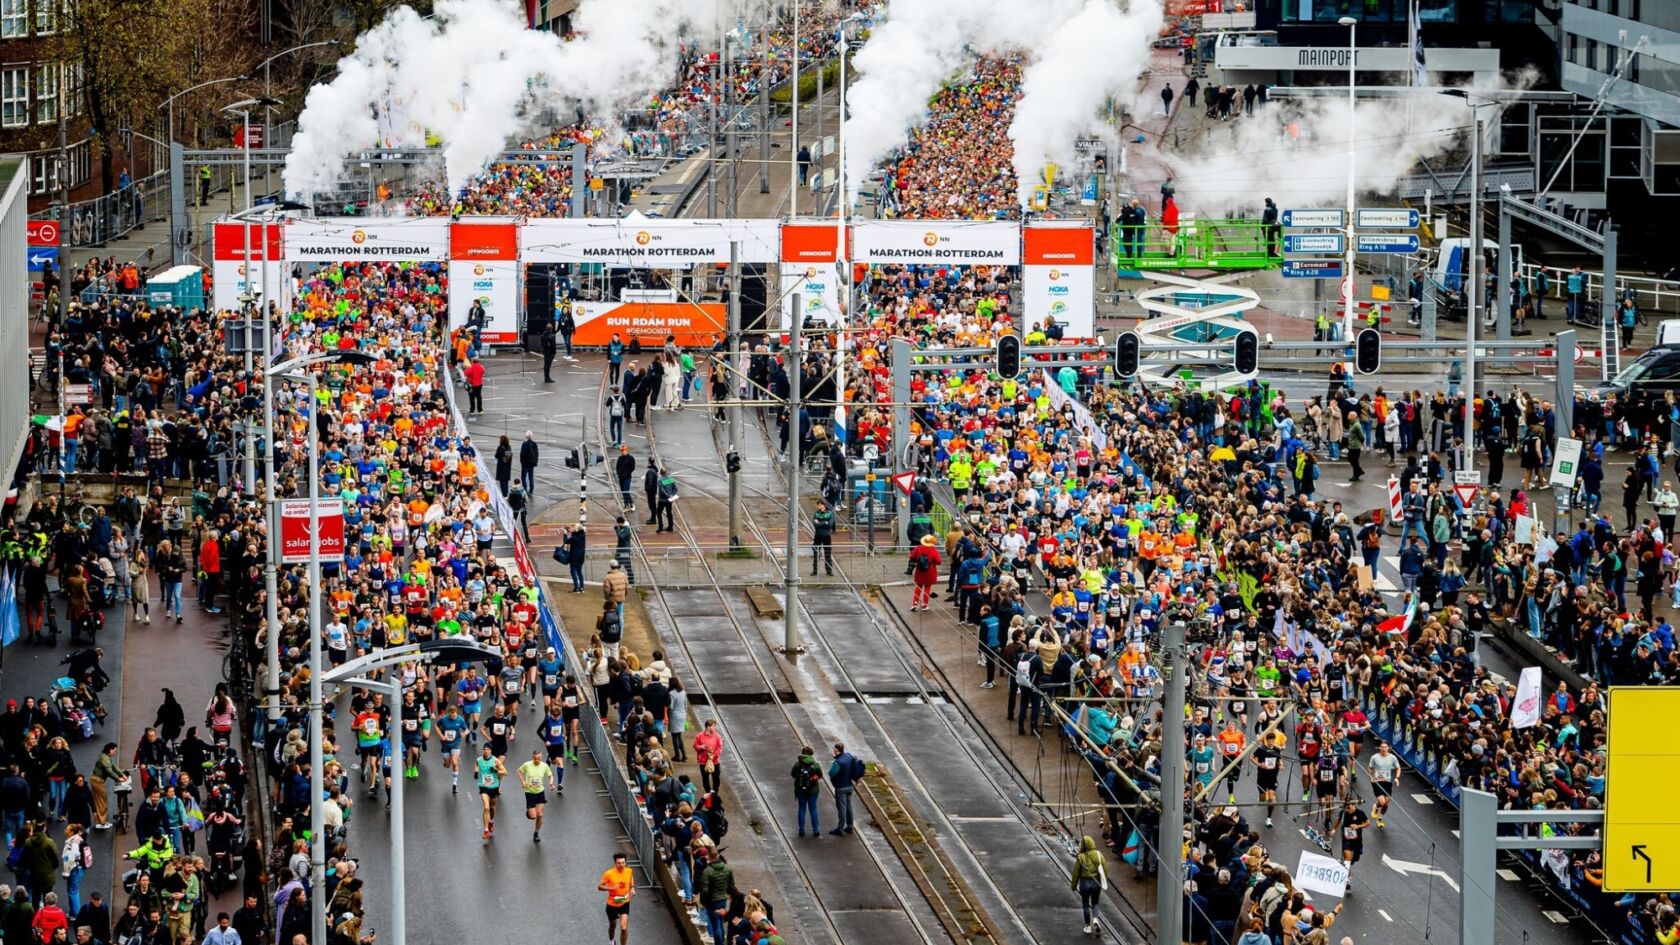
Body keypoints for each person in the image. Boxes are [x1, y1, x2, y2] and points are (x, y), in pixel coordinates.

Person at [517, 748, 555, 844]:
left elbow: (550, 775)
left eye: (538, 758)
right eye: (535, 758)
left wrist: (551, 783)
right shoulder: (527, 765)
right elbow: (519, 771)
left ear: (541, 758)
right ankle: (529, 813)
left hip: (540, 792)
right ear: (532, 758)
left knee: (540, 814)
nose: (537, 760)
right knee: (533, 816)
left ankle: (536, 833)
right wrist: (523, 782)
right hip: (529, 792)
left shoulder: (544, 766)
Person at [1070, 835, 1106, 936]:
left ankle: (1088, 926)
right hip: (1095, 882)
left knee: (1085, 904)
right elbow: (1105, 868)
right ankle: (1095, 919)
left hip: (1084, 883)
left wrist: (1073, 886)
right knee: (1095, 903)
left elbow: (1076, 873)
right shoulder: (1098, 855)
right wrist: (1104, 881)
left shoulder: (1080, 857)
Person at [598, 852, 634, 945]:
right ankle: (611, 941)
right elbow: (599, 886)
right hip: (612, 904)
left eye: (623, 862)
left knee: (623, 927)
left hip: (625, 903)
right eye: (619, 863)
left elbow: (631, 878)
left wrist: (632, 887)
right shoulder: (609, 873)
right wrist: (611, 888)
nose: (621, 865)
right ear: (615, 863)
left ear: (625, 862)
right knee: (613, 925)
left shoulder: (629, 871)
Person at [826, 743, 862, 836]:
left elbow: (831, 773)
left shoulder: (838, 762)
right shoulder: (848, 756)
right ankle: (850, 826)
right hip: (849, 786)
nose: (833, 750)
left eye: (834, 748)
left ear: (837, 750)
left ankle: (840, 828)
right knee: (849, 807)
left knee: (841, 808)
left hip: (841, 787)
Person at [473, 745, 505, 841]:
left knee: (492, 808)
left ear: (491, 750)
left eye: (488, 749)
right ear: (482, 750)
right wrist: (475, 772)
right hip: (483, 786)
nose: (486, 751)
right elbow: (476, 767)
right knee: (486, 807)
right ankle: (486, 830)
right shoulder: (478, 760)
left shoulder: (495, 760)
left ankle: (491, 821)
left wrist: (496, 770)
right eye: (484, 749)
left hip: (494, 787)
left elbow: (504, 771)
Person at [790, 746, 823, 837]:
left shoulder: (798, 764)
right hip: (813, 791)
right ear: (812, 754)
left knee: (802, 809)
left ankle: (801, 830)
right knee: (813, 809)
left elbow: (792, 774)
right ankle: (815, 830)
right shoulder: (815, 765)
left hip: (801, 790)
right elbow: (820, 775)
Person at [810, 500, 835, 577]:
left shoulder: (829, 513)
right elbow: (815, 524)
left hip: (826, 536)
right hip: (817, 535)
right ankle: (815, 570)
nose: (818, 507)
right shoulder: (816, 513)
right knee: (816, 553)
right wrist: (825, 522)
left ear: (824, 505)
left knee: (827, 554)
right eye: (818, 505)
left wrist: (820, 523)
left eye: (819, 505)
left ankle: (829, 570)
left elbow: (830, 525)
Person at [519, 432, 539, 496]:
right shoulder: (534, 444)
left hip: (525, 464)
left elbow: (522, 454)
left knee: (524, 477)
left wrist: (522, 462)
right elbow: (536, 454)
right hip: (532, 463)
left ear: (526, 436)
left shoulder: (524, 444)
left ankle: (525, 490)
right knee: (531, 477)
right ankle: (531, 491)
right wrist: (535, 461)